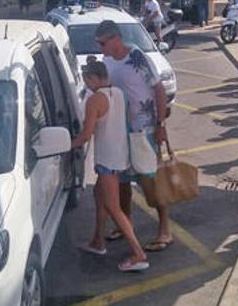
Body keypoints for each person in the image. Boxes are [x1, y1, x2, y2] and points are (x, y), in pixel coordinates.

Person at [94, 20, 173, 253]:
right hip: (120, 131)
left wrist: (160, 124)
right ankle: (125, 222)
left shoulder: (136, 57)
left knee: (151, 180)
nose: (100, 48)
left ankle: (165, 229)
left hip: (144, 129)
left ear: (116, 39)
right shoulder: (107, 62)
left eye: (103, 43)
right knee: (122, 181)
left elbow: (158, 89)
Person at [71, 61, 149, 272]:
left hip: (107, 160)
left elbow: (86, 135)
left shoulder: (94, 100)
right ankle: (98, 241)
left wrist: (67, 144)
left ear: (94, 78)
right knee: (99, 196)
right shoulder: (119, 93)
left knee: (114, 208)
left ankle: (138, 254)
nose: (86, 84)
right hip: (121, 156)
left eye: (87, 80)